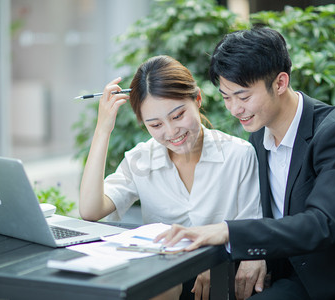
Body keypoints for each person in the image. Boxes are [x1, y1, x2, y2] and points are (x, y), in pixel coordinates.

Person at [156, 28, 335, 300]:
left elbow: (320, 224)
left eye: (243, 97)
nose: (234, 109)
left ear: (280, 83)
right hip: (305, 279)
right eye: (226, 97)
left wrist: (227, 232)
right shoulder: (257, 137)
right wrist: (245, 255)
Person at [79, 55, 264, 300]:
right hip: (163, 281)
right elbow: (91, 210)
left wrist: (216, 258)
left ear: (197, 99)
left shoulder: (239, 155)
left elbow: (252, 231)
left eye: (177, 116)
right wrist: (103, 129)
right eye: (155, 125)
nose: (171, 132)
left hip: (221, 281)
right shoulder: (141, 159)